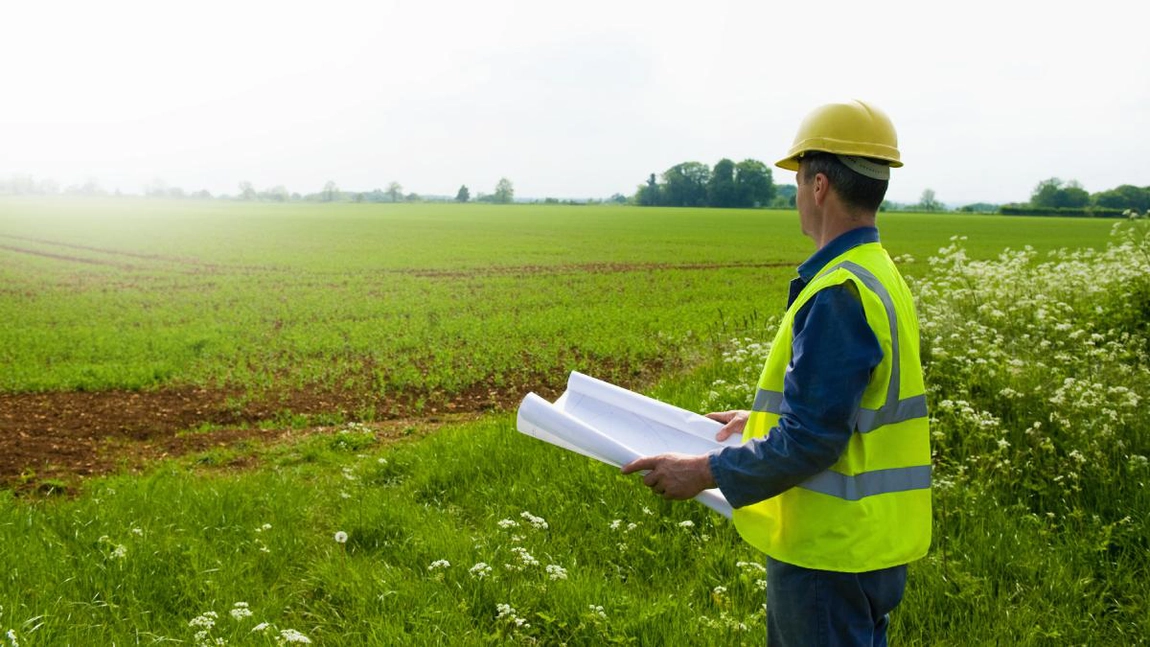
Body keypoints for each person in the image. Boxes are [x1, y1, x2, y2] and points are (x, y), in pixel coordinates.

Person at [622, 100, 931, 647]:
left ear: (819, 187)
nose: (797, 196)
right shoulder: (878, 273)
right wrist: (760, 419)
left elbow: (812, 440)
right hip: (871, 545)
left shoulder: (838, 291)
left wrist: (703, 470)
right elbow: (852, 405)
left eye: (797, 181)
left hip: (826, 556)